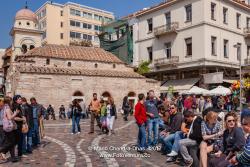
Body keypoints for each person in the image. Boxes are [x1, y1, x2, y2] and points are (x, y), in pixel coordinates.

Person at [0, 98, 19, 162]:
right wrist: (15, 113)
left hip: (3, 126)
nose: (12, 102)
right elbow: (9, 117)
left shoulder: (2, 107)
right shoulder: (7, 108)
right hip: (7, 127)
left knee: (11, 142)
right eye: (11, 101)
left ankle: (12, 157)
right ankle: (2, 151)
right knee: (11, 142)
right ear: (9, 102)